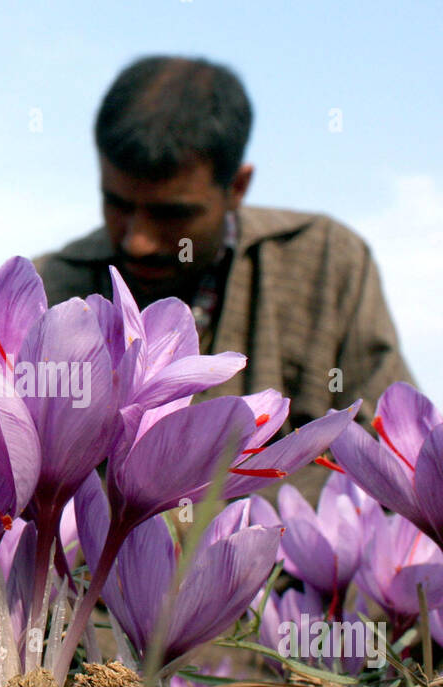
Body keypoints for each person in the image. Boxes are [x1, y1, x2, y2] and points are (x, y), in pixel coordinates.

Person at [33, 56, 415, 500]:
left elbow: (395, 451)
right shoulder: (52, 290)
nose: (137, 241)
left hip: (283, 566)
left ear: (237, 187)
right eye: (117, 204)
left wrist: (214, 524)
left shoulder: (327, 262)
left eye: (171, 213)